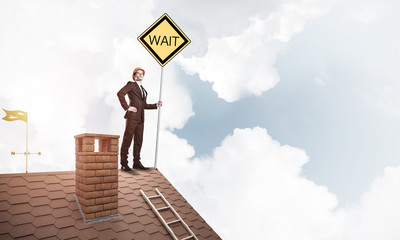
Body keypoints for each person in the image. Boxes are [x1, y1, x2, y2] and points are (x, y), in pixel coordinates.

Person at [117, 67, 162, 171]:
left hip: (141, 119)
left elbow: (144, 105)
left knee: (138, 141)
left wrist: (156, 105)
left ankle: (136, 162)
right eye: (138, 73)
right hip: (132, 117)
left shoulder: (143, 90)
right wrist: (127, 107)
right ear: (134, 75)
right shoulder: (131, 85)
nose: (140, 75)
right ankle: (124, 163)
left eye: (142, 73)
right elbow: (120, 94)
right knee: (127, 139)